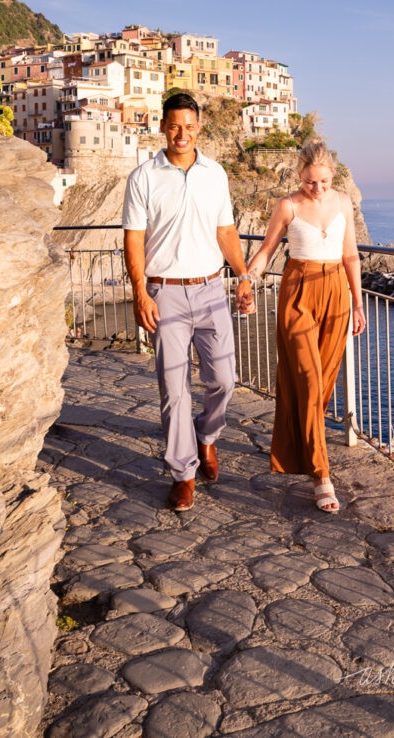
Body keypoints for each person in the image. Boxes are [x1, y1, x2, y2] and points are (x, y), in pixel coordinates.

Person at [122, 92, 254, 512]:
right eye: (175, 125)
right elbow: (134, 239)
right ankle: (183, 473)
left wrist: (244, 275)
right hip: (165, 292)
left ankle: (207, 436)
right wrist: (140, 291)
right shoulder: (142, 177)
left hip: (212, 288)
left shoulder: (215, 173)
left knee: (224, 380)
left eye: (190, 125)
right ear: (163, 126)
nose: (183, 133)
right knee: (173, 391)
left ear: (199, 127)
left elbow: (226, 231)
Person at [247, 140, 366, 512]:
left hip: (337, 293)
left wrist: (359, 303)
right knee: (309, 380)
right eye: (311, 182)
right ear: (300, 175)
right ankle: (321, 475)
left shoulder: (343, 202)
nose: (317, 189)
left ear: (333, 176)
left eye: (324, 182)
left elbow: (350, 254)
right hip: (298, 290)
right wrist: (247, 280)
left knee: (324, 382)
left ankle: (301, 448)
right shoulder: (288, 205)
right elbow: (267, 250)